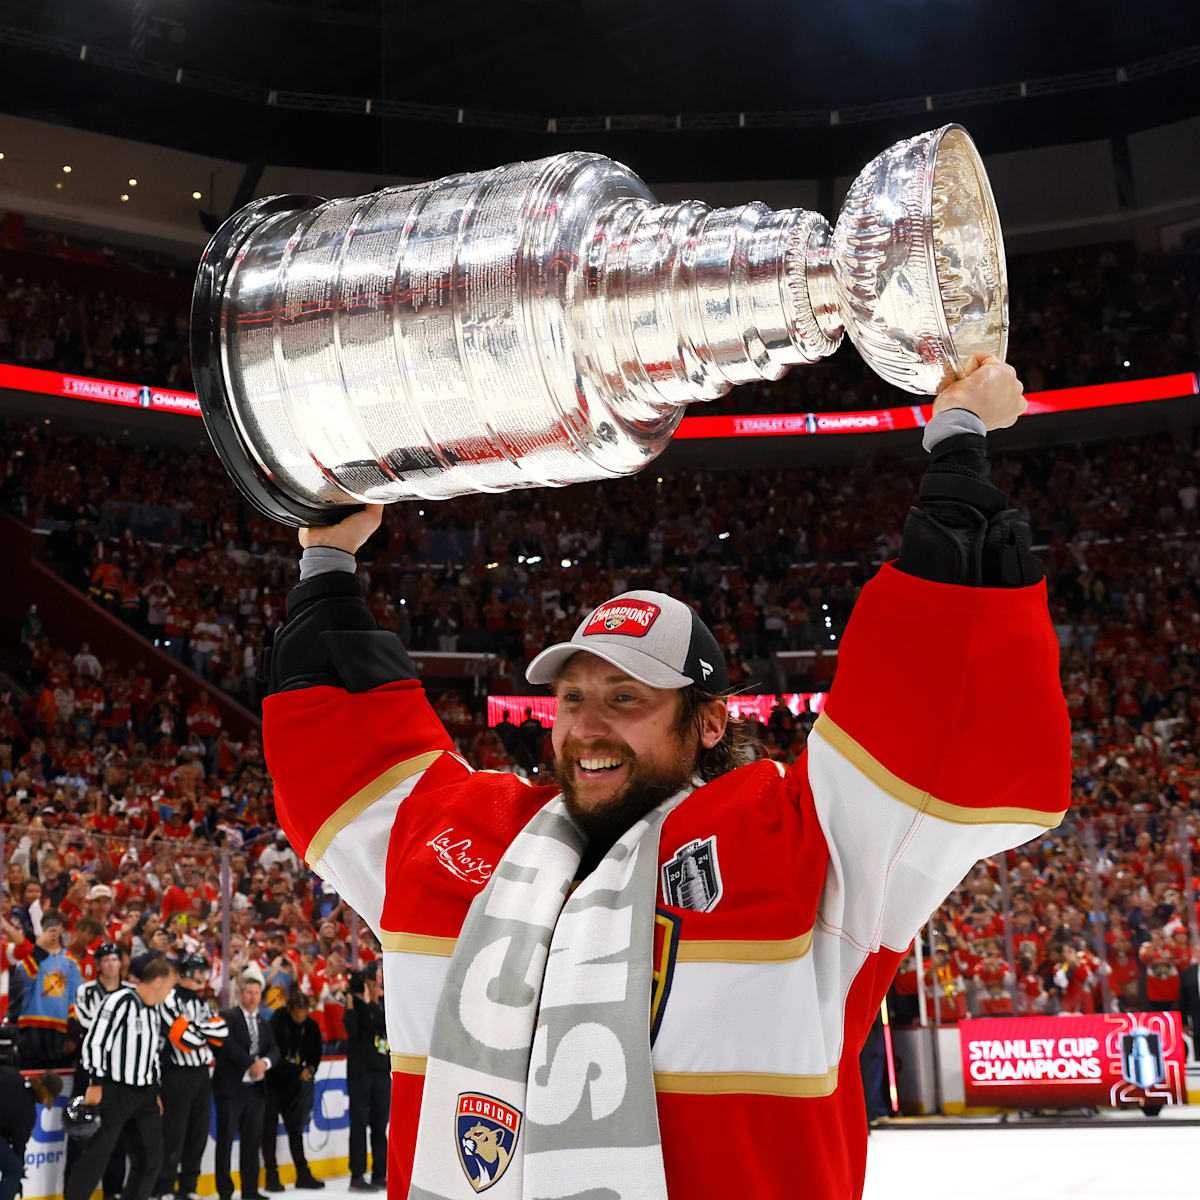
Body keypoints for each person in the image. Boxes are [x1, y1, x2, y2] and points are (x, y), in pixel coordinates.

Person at [261, 358, 1070, 1197]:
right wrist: (326, 562)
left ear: (710, 721)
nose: (588, 725)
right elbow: (348, 756)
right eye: (571, 698)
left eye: (626, 696)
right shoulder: (468, 836)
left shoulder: (800, 845)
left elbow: (934, 732)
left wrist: (958, 447)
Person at [66, 956, 200, 1200]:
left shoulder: (155, 1009)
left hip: (145, 1094)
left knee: (151, 1158)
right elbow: (96, 1041)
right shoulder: (120, 1000)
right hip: (114, 1090)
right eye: (170, 985)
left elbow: (151, 1054)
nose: (171, 992)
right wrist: (95, 1083)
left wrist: (155, 1091)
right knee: (96, 1156)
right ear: (158, 982)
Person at [156, 954, 229, 1200]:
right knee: (173, 1133)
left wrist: (197, 1031)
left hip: (201, 1074)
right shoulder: (168, 1001)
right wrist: (201, 1032)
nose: (203, 977)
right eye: (199, 971)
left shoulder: (202, 1003)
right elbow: (186, 1040)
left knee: (198, 1133)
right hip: (176, 1075)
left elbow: (221, 1032)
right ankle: (165, 1187)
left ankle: (189, 1187)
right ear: (185, 973)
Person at [213, 967, 279, 1200]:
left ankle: (250, 1190)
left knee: (252, 1142)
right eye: (248, 992)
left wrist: (265, 1063)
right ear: (240, 994)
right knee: (226, 1142)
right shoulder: (227, 1017)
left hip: (256, 1091)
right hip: (231, 1090)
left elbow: (274, 1049)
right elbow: (225, 1044)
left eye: (256, 993)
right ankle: (225, 1191)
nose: (252, 997)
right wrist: (250, 1063)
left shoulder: (262, 1021)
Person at [68, 942, 128, 1195]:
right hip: (90, 1072)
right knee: (81, 1132)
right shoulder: (86, 991)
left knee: (117, 1135)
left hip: (121, 1074)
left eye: (115, 959)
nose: (111, 964)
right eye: (105, 960)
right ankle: (73, 1191)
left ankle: (113, 1191)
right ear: (98, 965)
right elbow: (87, 1024)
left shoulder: (131, 992)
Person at [263, 993, 324, 1192]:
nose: (300, 1019)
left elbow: (316, 1055)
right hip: (273, 1083)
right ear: (290, 1010)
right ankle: (272, 1176)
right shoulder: (277, 1022)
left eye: (303, 1015)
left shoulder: (311, 1027)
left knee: (295, 1130)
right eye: (297, 1016)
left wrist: (310, 1070)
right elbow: (274, 1057)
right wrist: (298, 1072)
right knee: (269, 1132)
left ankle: (302, 1173)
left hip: (295, 1086)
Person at [342, 964, 388, 1192]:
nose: (378, 982)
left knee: (380, 1126)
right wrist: (359, 1001)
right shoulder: (356, 1006)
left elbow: (384, 1027)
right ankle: (357, 1176)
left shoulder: (385, 1005)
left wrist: (374, 1003)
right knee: (359, 1125)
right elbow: (353, 1029)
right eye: (375, 978)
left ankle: (380, 1173)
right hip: (360, 1073)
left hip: (381, 1071)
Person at [16, 908, 82, 1067]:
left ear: (62, 928)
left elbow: (76, 997)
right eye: (49, 925)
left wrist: (73, 1033)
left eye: (56, 925)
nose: (53, 929)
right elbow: (21, 981)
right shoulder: (31, 955)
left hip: (58, 1027)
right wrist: (38, 950)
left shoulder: (70, 961)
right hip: (30, 1025)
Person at [0, 1066, 62, 1200]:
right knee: (14, 1169)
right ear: (48, 1094)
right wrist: (18, 1176)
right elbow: (19, 1146)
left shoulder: (14, 1075)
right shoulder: (28, 1113)